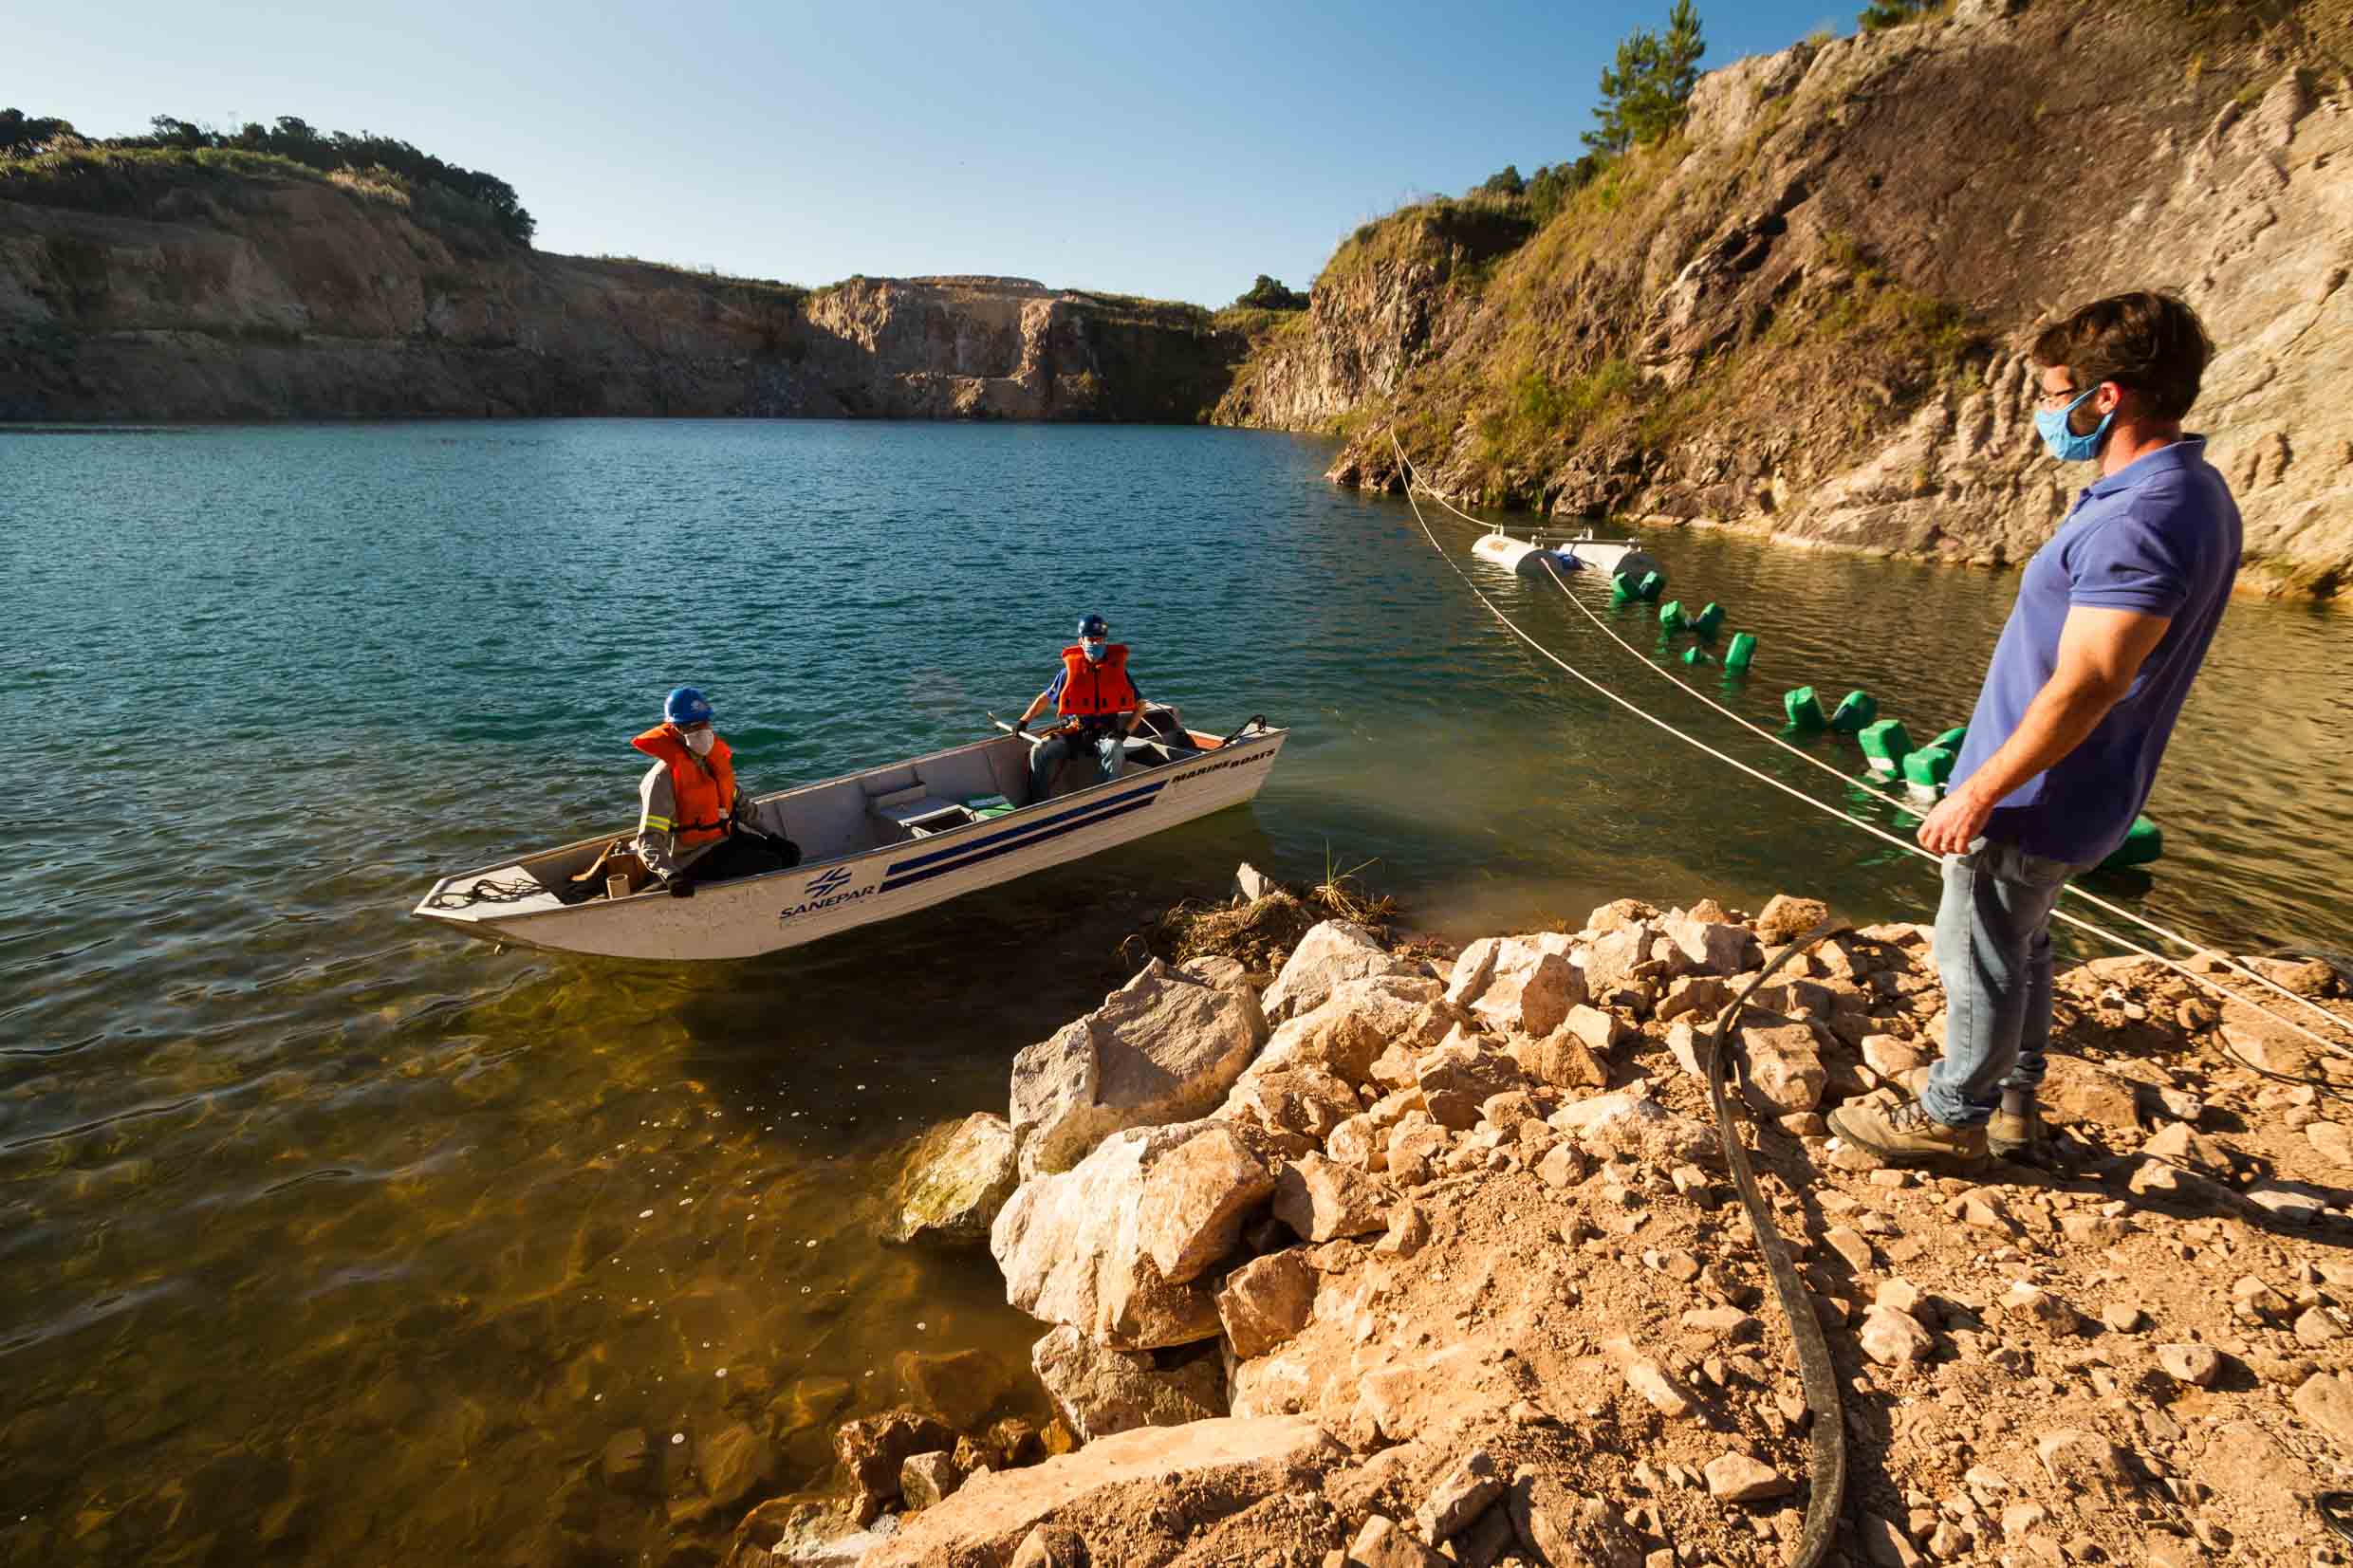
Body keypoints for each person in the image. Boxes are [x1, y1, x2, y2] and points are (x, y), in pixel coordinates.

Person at [1827, 292, 2241, 1167]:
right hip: (2076, 788)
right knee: (2021, 939)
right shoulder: (2187, 490)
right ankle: (2014, 1101)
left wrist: (1981, 788)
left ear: (2108, 396)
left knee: (1975, 948)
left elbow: (2091, 679)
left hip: (2034, 795)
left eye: (2055, 395)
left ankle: (1950, 1118)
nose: (2043, 413)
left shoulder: (2143, 514)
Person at [632, 686, 799, 898]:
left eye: (704, 722)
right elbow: (649, 838)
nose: (702, 730)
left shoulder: (712, 761)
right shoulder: (661, 778)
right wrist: (671, 875)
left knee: (787, 854)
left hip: (724, 840)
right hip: (692, 857)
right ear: (675, 729)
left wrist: (772, 836)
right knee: (769, 863)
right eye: (693, 726)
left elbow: (742, 805)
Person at [1012, 614, 1148, 802]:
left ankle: (1105, 799)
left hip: (1105, 733)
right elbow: (1045, 698)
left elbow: (1141, 706)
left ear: (1105, 640)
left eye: (1099, 639)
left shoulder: (1117, 670)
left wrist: (1124, 733)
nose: (1095, 643)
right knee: (1039, 750)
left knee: (1115, 748)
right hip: (1075, 731)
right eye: (1090, 639)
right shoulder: (1068, 672)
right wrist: (1023, 721)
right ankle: (1039, 802)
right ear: (1081, 641)